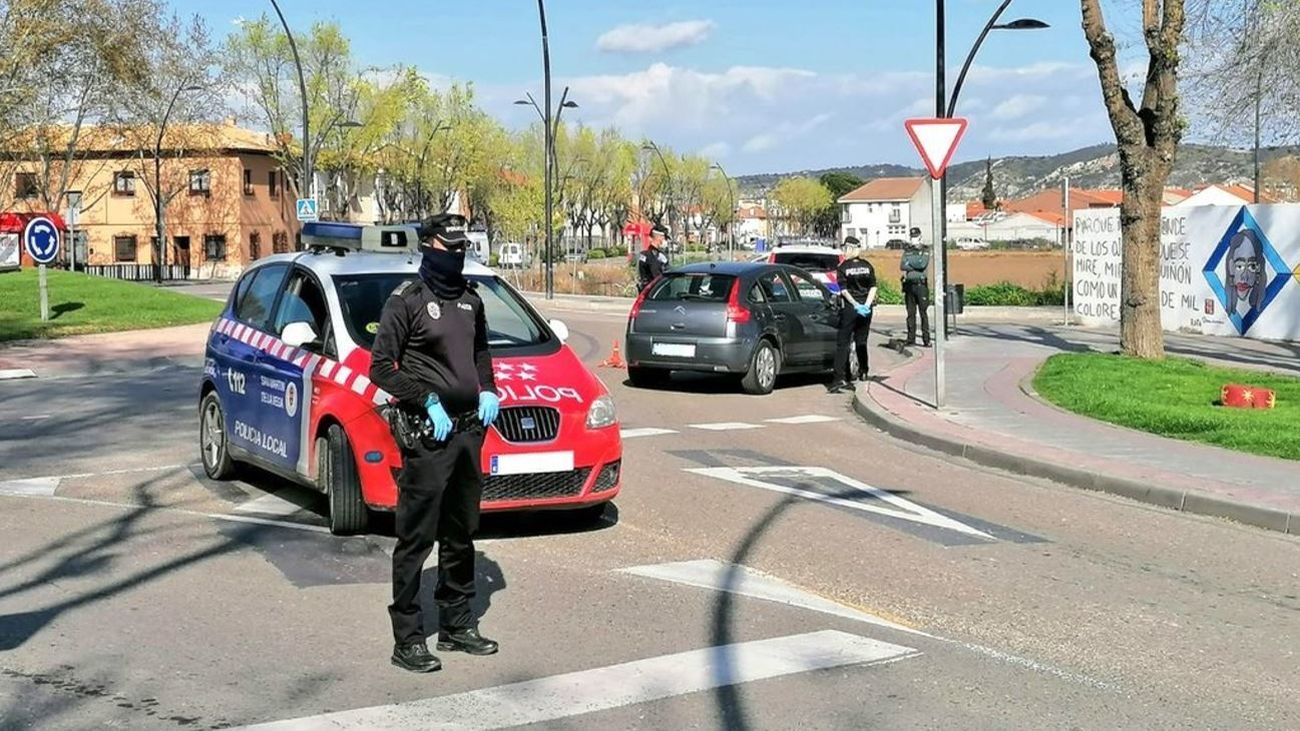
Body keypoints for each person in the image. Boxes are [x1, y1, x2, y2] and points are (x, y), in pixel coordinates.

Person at [369, 212, 501, 674]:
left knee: (461, 531)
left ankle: (457, 624)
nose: (459, 254)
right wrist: (426, 399)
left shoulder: (470, 300)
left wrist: (488, 388)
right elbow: (381, 367)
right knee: (416, 537)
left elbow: (480, 353)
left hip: (467, 432)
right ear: (428, 245)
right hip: (429, 434)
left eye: (463, 246)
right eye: (451, 246)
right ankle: (407, 638)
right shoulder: (406, 302)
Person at [828, 236, 877, 393]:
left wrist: (855, 305)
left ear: (850, 249)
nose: (844, 251)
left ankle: (838, 378)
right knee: (861, 341)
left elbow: (843, 290)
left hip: (850, 308)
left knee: (843, 343)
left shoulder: (843, 267)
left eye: (845, 248)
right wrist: (866, 305)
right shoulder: (867, 266)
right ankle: (863, 371)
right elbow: (873, 287)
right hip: (866, 309)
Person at [900, 227, 932, 347]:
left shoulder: (925, 249)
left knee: (923, 313)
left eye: (915, 236)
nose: (913, 239)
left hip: (921, 284)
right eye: (912, 237)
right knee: (910, 314)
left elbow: (922, 264)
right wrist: (914, 263)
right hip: (909, 284)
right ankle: (911, 338)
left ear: (920, 237)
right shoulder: (907, 250)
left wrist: (910, 263)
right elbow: (902, 265)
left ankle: (926, 339)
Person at [637, 224, 670, 292]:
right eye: (665, 238)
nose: (665, 240)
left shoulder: (646, 255)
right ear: (659, 237)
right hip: (655, 293)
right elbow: (656, 277)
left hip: (648, 292)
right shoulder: (653, 256)